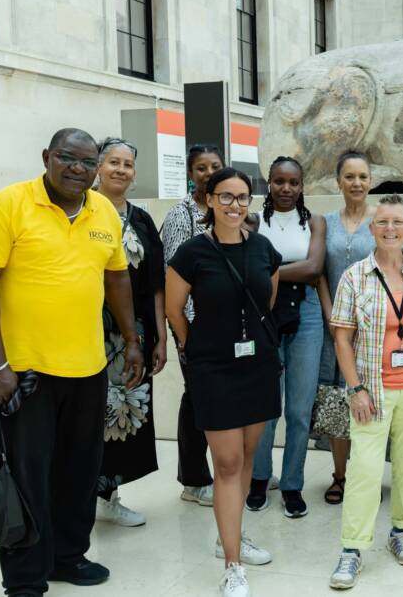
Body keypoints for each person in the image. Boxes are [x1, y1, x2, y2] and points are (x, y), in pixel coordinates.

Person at [0, 128, 144, 595]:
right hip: (25, 372)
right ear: (47, 156)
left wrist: (132, 339)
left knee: (79, 471)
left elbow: (117, 277)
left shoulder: (102, 209)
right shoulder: (9, 204)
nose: (78, 169)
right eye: (68, 158)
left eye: (88, 162)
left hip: (87, 369)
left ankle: (68, 556)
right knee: (26, 477)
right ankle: (25, 577)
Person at [166, 167, 281, 597]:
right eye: (226, 197)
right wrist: (193, 347)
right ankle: (233, 565)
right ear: (209, 200)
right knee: (228, 464)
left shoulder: (264, 249)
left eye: (242, 197)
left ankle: (228, 537)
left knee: (247, 458)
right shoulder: (192, 253)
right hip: (213, 368)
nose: (235, 205)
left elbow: (266, 301)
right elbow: (176, 311)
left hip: (258, 367)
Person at [327, 194, 403, 590]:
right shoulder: (354, 276)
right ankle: (351, 550)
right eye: (383, 223)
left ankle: (401, 531)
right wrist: (356, 387)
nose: (391, 229)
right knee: (364, 470)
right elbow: (342, 338)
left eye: (398, 222)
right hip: (372, 393)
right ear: (372, 229)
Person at [92, 138, 166, 527]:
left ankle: (109, 494)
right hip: (87, 333)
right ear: (98, 168)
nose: (121, 170)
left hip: (133, 336)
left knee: (123, 413)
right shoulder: (82, 211)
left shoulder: (141, 219)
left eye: (128, 164)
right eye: (113, 162)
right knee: (87, 416)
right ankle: (78, 493)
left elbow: (156, 283)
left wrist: (160, 337)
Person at [247, 156, 326, 518]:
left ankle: (292, 484)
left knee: (299, 408)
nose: (286, 189)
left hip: (307, 313)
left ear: (302, 185)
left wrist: (271, 271)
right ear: (269, 182)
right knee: (265, 407)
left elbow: (314, 268)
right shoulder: (252, 222)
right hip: (264, 313)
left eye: (293, 182)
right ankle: (260, 478)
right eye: (279, 181)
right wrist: (285, 274)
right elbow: (249, 270)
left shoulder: (315, 223)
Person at [160, 144, 224, 507]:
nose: (209, 172)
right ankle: (194, 479)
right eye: (201, 168)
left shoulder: (224, 208)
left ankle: (223, 471)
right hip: (192, 323)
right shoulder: (180, 214)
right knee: (198, 397)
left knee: (215, 399)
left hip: (222, 323)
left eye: (215, 166)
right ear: (190, 173)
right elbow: (173, 276)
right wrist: (185, 335)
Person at [317, 151, 377, 505]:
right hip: (334, 329)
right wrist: (332, 316)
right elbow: (320, 274)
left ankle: (365, 476)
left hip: (371, 330)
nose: (356, 183)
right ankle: (339, 475)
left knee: (368, 401)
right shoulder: (326, 223)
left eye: (362, 177)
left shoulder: (380, 220)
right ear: (338, 181)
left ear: (371, 182)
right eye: (349, 177)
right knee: (339, 401)